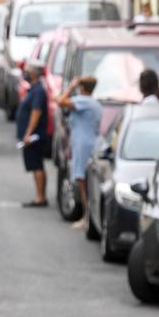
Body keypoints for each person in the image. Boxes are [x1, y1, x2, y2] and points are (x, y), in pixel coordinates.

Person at [57, 76, 103, 229]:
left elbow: (61, 101)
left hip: (83, 145)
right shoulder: (94, 103)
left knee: (83, 181)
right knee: (86, 182)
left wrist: (70, 87)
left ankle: (86, 216)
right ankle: (87, 215)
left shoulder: (84, 101)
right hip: (88, 143)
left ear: (82, 87)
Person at [16, 64, 50, 207]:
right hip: (33, 135)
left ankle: (40, 197)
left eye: (28, 72)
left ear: (35, 74)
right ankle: (39, 196)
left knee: (37, 165)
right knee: (35, 165)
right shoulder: (33, 90)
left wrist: (28, 134)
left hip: (35, 136)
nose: (25, 74)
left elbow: (36, 112)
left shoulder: (38, 91)